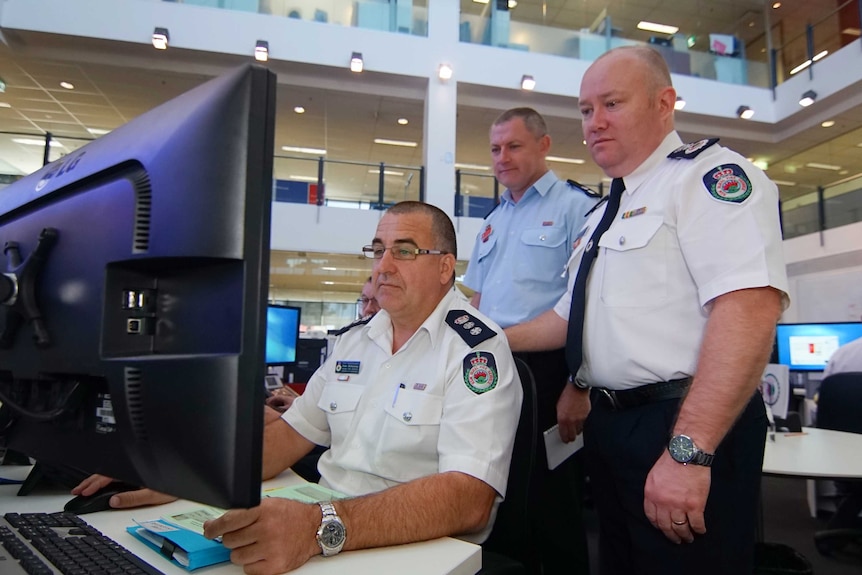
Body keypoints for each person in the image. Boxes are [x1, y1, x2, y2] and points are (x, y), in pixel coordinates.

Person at [73, 201, 522, 575]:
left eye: (404, 252)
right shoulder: (354, 341)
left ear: (445, 267)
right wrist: (187, 473)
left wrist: (318, 526)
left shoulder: (476, 351)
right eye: (378, 249)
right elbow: (288, 436)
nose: (383, 267)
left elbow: (470, 498)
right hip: (328, 527)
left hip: (416, 548)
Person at [503, 45, 789, 574]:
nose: (595, 123)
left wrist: (690, 450)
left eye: (612, 103)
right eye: (587, 110)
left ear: (664, 103)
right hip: (611, 426)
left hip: (683, 421)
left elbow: (748, 309)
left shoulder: (708, 179)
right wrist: (487, 337)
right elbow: (570, 318)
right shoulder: (602, 212)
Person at [462, 106, 598, 574]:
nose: (502, 157)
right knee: (497, 484)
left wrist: (579, 385)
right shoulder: (493, 218)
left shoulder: (577, 207)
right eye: (495, 149)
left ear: (544, 145)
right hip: (493, 368)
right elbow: (477, 300)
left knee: (551, 501)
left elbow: (591, 307)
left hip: (548, 371)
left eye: (513, 145)